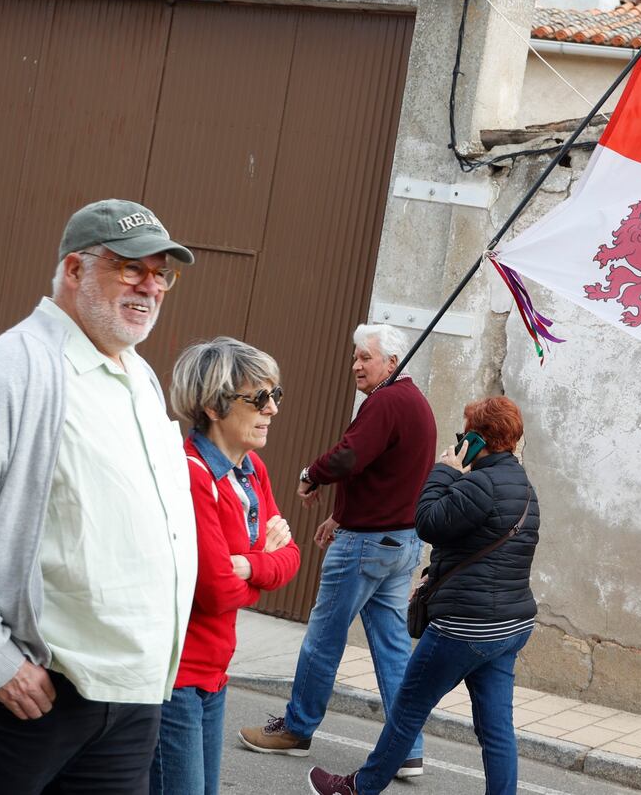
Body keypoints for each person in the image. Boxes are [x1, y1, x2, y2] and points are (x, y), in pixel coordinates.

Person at [0, 199, 198, 793]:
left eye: (162, 274)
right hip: (17, 699)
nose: (149, 287)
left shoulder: (138, 375)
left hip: (125, 704)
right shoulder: (17, 366)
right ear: (74, 270)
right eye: (130, 267)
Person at [307, 395, 541, 795]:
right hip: (510, 625)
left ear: (477, 441)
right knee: (497, 728)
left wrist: (443, 470)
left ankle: (359, 788)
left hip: (464, 626)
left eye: (464, 434)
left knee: (408, 709)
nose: (459, 441)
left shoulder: (479, 485)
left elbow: (428, 522)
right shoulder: (524, 485)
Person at [239, 324, 435, 779]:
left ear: (392, 362)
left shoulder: (385, 403)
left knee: (324, 640)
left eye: (365, 357)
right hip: (400, 542)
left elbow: (350, 456)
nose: (356, 366)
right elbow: (385, 478)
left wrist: (312, 473)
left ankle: (296, 728)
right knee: (391, 649)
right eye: (354, 357)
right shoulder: (416, 404)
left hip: (367, 547)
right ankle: (408, 748)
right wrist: (341, 515)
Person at [151, 337, 302, 794]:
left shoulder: (252, 469)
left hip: (215, 673)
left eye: (275, 395)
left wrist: (247, 566)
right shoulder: (191, 473)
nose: (272, 408)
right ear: (215, 407)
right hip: (174, 678)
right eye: (258, 397)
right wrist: (262, 562)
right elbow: (215, 589)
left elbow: (293, 558)